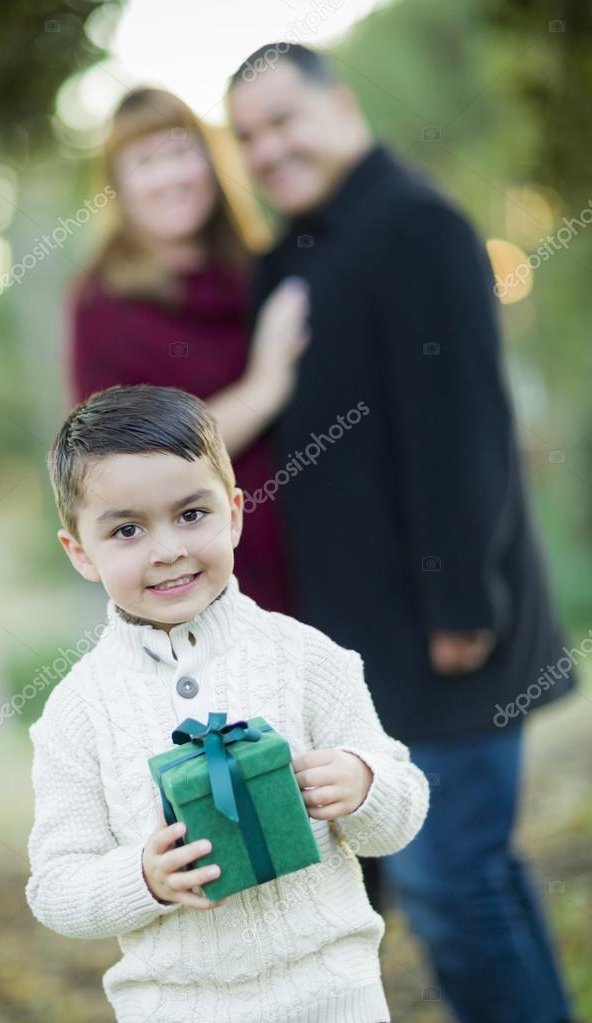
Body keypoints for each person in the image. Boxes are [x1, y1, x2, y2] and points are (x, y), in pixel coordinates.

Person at [227, 42, 576, 1023]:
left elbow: (462, 424)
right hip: (358, 639)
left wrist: (460, 602)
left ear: (340, 104)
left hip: (444, 623)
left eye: (283, 120)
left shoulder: (415, 226)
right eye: (247, 137)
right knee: (475, 881)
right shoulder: (290, 257)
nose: (267, 150)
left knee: (449, 887)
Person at [24, 383, 430, 1023]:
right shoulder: (77, 713)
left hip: (333, 994)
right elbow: (54, 887)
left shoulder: (305, 657)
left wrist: (364, 782)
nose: (168, 551)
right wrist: (143, 879)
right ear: (81, 553)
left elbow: (398, 816)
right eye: (126, 530)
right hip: (177, 1008)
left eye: (192, 515)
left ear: (235, 514)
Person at [68, 86, 310, 615]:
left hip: (320, 546)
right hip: (207, 574)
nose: (170, 176)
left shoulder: (261, 267)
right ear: (118, 187)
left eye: (181, 153)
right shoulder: (104, 306)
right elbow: (125, 462)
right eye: (145, 163)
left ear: (210, 160)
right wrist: (264, 389)